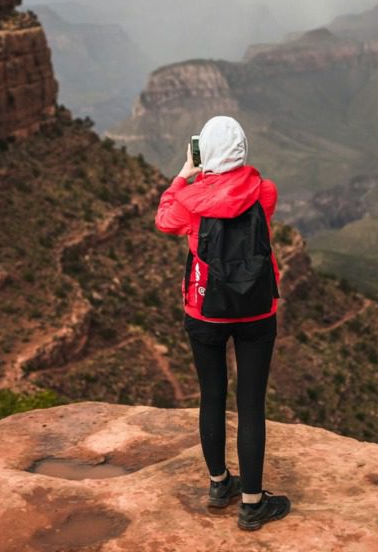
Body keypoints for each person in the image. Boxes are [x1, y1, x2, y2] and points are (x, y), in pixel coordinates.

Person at [155, 115, 291, 531]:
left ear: (205, 154)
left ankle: (219, 485)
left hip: (204, 310)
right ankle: (252, 503)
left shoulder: (190, 201)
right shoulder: (263, 192)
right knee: (251, 404)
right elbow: (245, 197)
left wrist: (183, 174)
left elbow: (164, 220)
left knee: (211, 395)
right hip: (255, 311)